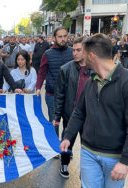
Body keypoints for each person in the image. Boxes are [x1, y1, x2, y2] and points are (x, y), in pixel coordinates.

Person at [59, 34, 128, 188]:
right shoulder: (91, 81)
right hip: (89, 152)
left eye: (82, 52)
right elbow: (79, 112)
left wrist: (126, 161)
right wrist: (67, 136)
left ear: (91, 56)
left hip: (115, 158)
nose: (79, 56)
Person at [53, 37, 93, 179]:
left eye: (78, 50)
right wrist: (57, 116)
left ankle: (86, 172)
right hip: (71, 114)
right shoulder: (65, 69)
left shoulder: (95, 68)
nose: (74, 53)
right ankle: (64, 163)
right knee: (67, 140)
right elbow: (60, 94)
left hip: (90, 116)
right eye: (73, 50)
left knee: (87, 147)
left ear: (87, 51)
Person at [36, 27, 74, 137]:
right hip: (52, 95)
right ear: (54, 38)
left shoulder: (73, 52)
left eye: (65, 36)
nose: (63, 39)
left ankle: (66, 150)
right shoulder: (47, 54)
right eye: (60, 36)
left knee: (69, 124)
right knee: (53, 123)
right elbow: (42, 72)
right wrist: (38, 87)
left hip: (69, 95)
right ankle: (55, 150)